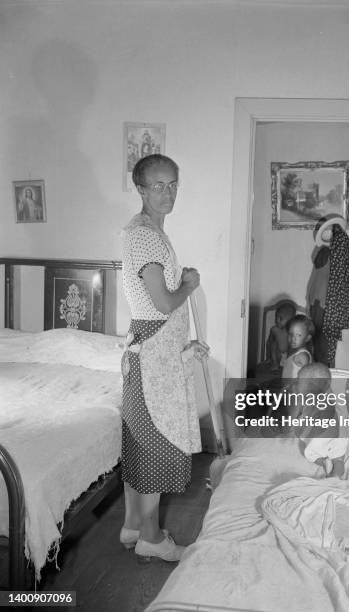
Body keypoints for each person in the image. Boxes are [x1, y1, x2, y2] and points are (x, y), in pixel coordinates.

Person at [120, 153, 205, 562]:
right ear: (140, 188)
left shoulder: (148, 232)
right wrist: (188, 284)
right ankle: (151, 539)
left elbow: (156, 297)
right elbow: (164, 301)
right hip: (153, 355)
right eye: (158, 185)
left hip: (152, 350)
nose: (167, 192)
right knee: (154, 440)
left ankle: (134, 525)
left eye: (173, 184)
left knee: (141, 437)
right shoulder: (145, 236)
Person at [293, 363, 349, 477]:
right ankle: (337, 472)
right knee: (338, 458)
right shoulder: (328, 394)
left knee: (310, 454)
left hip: (319, 437)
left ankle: (324, 462)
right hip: (339, 434)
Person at [266, 302, 296, 372]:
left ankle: (288, 366)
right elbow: (269, 342)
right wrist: (268, 356)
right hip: (277, 354)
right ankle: (275, 364)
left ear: (290, 320)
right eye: (276, 317)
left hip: (288, 354)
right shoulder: (274, 329)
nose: (277, 320)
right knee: (274, 344)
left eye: (281, 318)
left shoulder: (292, 330)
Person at [281, 314, 313, 379]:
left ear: (307, 338)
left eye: (298, 335)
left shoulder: (303, 356)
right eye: (290, 334)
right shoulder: (295, 352)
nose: (293, 338)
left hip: (295, 388)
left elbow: (306, 377)